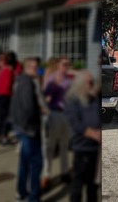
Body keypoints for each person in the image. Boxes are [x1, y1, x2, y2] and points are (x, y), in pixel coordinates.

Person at [9, 57, 47, 202]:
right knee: (36, 164)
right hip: (29, 130)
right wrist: (38, 114)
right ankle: (34, 197)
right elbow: (28, 108)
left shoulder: (21, 80)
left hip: (22, 128)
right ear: (28, 67)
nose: (37, 70)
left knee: (24, 162)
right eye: (35, 67)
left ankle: (21, 192)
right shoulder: (27, 83)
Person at [64, 70, 101, 202]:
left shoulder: (94, 99)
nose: (91, 85)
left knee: (92, 186)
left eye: (92, 82)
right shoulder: (73, 101)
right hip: (82, 148)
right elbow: (75, 123)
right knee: (78, 184)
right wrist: (93, 134)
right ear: (80, 84)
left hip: (95, 150)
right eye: (89, 83)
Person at [41, 56, 73, 190]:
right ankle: (46, 175)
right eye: (64, 64)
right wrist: (54, 85)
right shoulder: (53, 78)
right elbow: (45, 94)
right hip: (54, 114)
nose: (66, 67)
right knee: (50, 146)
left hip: (66, 115)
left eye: (67, 65)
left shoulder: (69, 80)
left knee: (64, 145)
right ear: (59, 66)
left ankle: (65, 172)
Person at [0, 52, 16, 145]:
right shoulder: (8, 70)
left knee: (1, 116)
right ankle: (4, 136)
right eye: (0, 60)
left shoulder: (0, 70)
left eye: (1, 60)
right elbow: (8, 85)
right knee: (5, 117)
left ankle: (0, 136)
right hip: (5, 95)